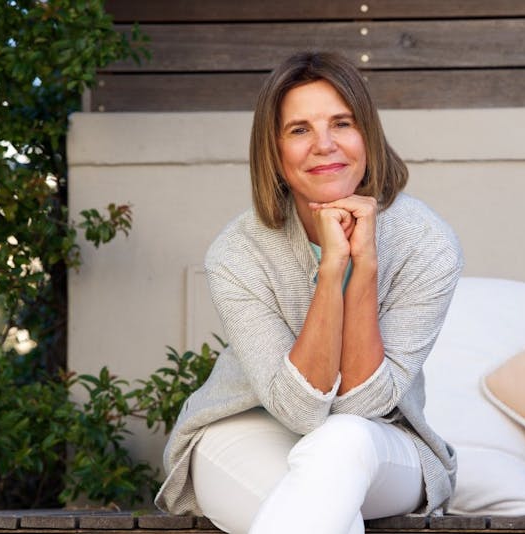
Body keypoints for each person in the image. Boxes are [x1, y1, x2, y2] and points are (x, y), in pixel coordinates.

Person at [154, 51, 463, 534]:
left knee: (340, 444)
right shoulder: (239, 252)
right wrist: (331, 267)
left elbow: (362, 409)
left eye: (342, 123)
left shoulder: (427, 243)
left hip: (380, 440)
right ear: (274, 154)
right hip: (244, 430)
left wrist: (364, 268)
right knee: (312, 513)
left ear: (368, 137)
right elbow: (298, 409)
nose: (324, 145)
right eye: (299, 130)